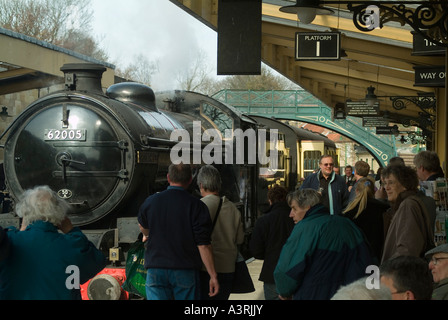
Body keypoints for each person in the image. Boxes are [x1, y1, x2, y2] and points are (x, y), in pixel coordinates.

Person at [0, 185, 106, 300]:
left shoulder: (9, 241)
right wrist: (72, 231)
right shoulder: (72, 245)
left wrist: (20, 231)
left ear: (24, 212)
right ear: (60, 212)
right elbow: (98, 262)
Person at [138, 163, 219, 300]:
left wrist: (147, 234)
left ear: (168, 177)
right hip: (184, 269)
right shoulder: (197, 206)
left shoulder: (150, 202)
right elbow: (203, 245)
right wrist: (213, 275)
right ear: (189, 180)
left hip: (155, 268)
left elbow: (142, 225)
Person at [274, 189, 373, 300]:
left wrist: (284, 291)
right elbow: (369, 261)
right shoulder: (348, 225)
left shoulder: (305, 228)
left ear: (307, 207)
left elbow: (287, 270)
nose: (290, 214)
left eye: (294, 208)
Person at [196, 165, 244, 300]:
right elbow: (240, 239)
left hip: (205, 270)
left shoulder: (199, 206)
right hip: (228, 269)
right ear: (219, 184)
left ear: (201, 185)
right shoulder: (233, 208)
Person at [381, 165, 435, 263]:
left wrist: (388, 273)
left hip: (400, 275)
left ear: (405, 184)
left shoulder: (407, 205)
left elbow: (406, 251)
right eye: (385, 183)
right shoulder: (407, 203)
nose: (386, 188)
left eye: (391, 183)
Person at [250, 185, 294, 300]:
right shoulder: (295, 218)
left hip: (271, 274)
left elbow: (256, 251)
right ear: (286, 199)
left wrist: (270, 255)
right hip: (293, 273)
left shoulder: (263, 220)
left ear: (270, 200)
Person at [343, 177, 389, 263]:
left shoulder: (348, 212)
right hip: (378, 256)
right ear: (374, 191)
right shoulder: (383, 209)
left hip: (356, 258)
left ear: (356, 191)